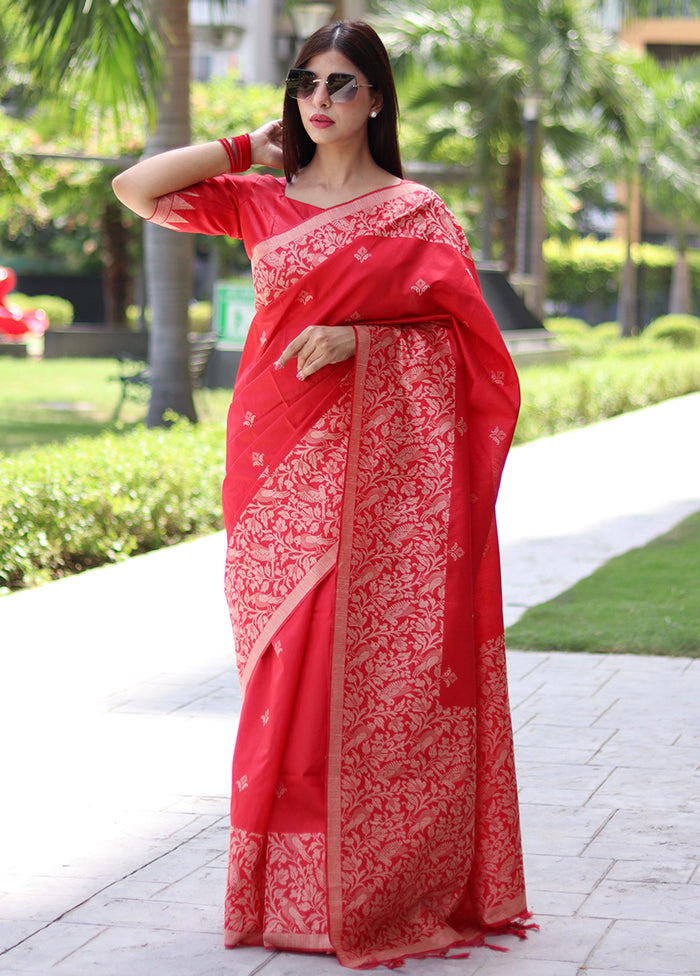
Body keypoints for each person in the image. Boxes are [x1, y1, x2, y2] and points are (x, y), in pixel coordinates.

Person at [113, 20, 529, 970]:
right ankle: (280, 892)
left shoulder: (417, 213)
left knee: (372, 669)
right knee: (283, 668)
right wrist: (239, 148)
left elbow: (474, 353)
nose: (320, 101)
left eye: (342, 86)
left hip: (378, 472)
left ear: (377, 100)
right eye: (306, 83)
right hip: (274, 459)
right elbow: (134, 189)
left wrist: (366, 342)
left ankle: (385, 881)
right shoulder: (260, 198)